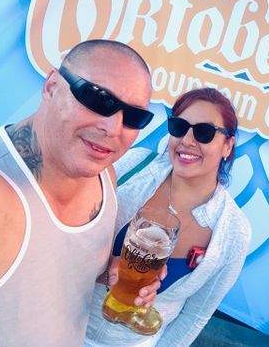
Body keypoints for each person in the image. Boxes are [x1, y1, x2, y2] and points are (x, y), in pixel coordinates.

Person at [0, 39, 161, 346]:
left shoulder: (105, 177)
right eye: (99, 99)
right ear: (52, 86)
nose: (113, 127)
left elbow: (59, 266)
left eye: (133, 117)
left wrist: (113, 272)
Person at [85, 88, 252, 347]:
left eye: (204, 133)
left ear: (227, 146)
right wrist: (105, 269)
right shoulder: (134, 166)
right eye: (179, 127)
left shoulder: (233, 231)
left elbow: (194, 317)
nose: (187, 140)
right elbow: (69, 238)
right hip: (60, 324)